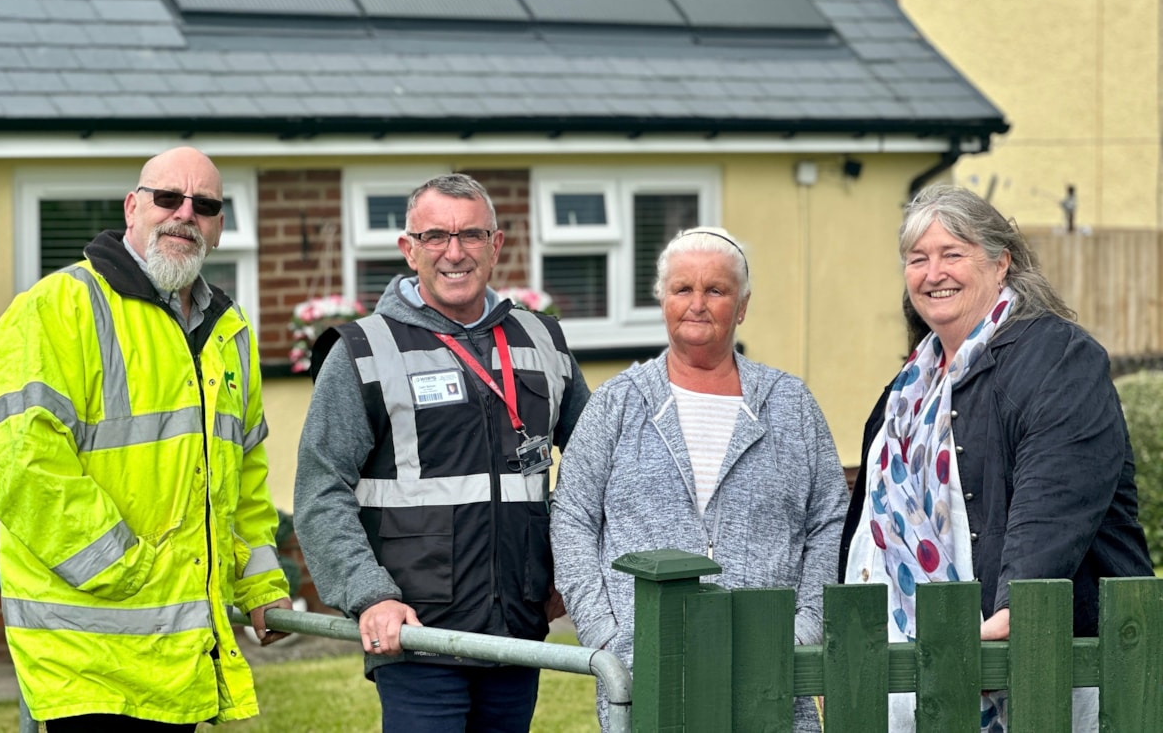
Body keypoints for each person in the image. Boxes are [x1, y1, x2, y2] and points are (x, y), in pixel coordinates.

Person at [0, 147, 293, 731]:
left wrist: (261, 583)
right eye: (168, 198)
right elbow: (16, 459)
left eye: (206, 205)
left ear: (219, 227)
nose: (185, 214)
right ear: (132, 208)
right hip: (90, 655)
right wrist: (123, 568)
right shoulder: (57, 307)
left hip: (180, 649)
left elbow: (242, 476)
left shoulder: (229, 331)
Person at [840, 184, 1153, 731]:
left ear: (1002, 262)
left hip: (1037, 661)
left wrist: (1009, 617)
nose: (933, 272)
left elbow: (1057, 496)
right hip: (917, 666)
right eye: (918, 259)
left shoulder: (1058, 357)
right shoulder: (908, 390)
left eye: (952, 254)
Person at [294, 172, 590, 733]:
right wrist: (369, 595)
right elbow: (320, 489)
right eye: (435, 237)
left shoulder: (542, 341)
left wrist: (566, 570)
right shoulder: (362, 350)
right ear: (409, 249)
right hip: (418, 633)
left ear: (496, 245)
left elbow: (596, 468)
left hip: (517, 632)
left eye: (472, 236)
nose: (454, 253)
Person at [551, 226, 849, 732]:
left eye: (716, 289)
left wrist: (802, 631)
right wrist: (605, 632)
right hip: (646, 666)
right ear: (662, 300)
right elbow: (572, 515)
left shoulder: (790, 404)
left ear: (743, 305)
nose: (698, 303)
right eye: (682, 289)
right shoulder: (617, 403)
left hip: (771, 668)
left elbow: (830, 520)